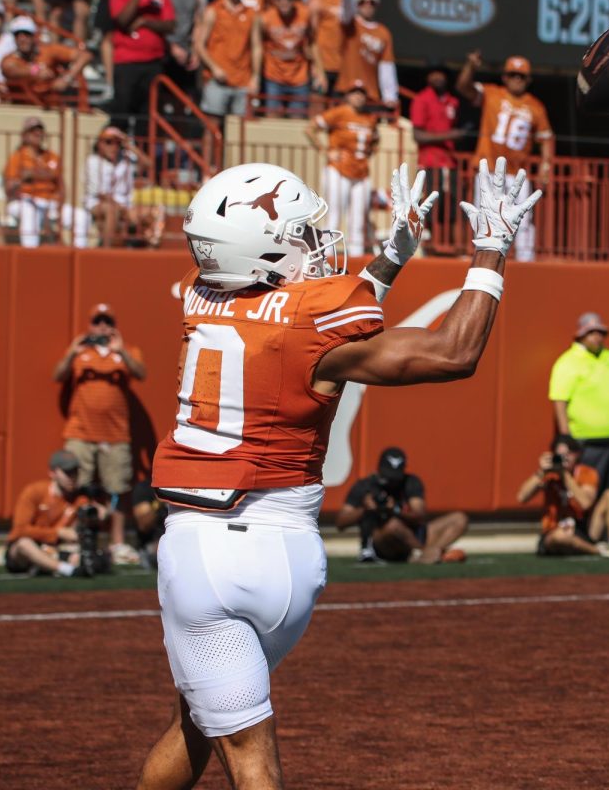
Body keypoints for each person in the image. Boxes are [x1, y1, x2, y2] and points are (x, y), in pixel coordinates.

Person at [135, 157, 540, 789]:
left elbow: (291, 330)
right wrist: (488, 250)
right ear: (264, 252)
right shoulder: (309, 318)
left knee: (246, 756)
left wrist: (389, 261)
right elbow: (450, 352)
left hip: (207, 555)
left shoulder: (199, 293)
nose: (318, 244)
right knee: (195, 721)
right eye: (301, 233)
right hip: (290, 553)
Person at [53, 302, 146, 566]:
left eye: (107, 322)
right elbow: (57, 375)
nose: (102, 326)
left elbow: (141, 374)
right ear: (89, 324)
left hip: (115, 434)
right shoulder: (81, 352)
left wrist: (120, 352)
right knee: (75, 486)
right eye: (97, 321)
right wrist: (72, 352)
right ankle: (76, 540)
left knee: (116, 490)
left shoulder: (127, 351)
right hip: (80, 432)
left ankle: (117, 543)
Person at [548, 311, 609, 552]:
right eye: (592, 332)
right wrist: (566, 435)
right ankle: (587, 533)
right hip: (587, 439)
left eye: (600, 332)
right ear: (581, 334)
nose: (598, 337)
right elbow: (559, 400)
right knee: (588, 489)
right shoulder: (569, 361)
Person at [457, 50, 552, 262]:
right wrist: (471, 66)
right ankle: (482, 260)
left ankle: (526, 263)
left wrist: (546, 165)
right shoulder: (492, 93)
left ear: (528, 80)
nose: (516, 80)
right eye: (512, 75)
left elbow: (546, 137)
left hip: (518, 173)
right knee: (485, 218)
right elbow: (463, 87)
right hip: (489, 168)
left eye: (521, 76)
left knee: (523, 220)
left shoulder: (535, 106)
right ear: (504, 77)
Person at [334, 446, 470, 564]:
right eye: (388, 477)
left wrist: (396, 510)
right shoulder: (364, 486)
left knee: (460, 518)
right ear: (379, 470)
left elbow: (420, 516)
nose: (392, 482)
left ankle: (429, 552)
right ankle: (428, 553)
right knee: (393, 526)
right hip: (385, 541)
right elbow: (341, 523)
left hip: (416, 534)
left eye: (396, 478)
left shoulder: (411, 482)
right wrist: (365, 509)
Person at [5, 450, 110, 577]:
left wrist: (97, 516)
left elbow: (83, 529)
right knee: (24, 543)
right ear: (52, 473)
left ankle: (47, 566)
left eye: (75, 472)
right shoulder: (34, 492)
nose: (72, 477)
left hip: (55, 549)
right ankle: (67, 570)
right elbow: (19, 530)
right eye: (67, 472)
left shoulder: (81, 498)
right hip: (27, 551)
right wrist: (58, 533)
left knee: (98, 554)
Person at [515, 434, 609, 558]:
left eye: (568, 454)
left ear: (577, 454)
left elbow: (585, 503)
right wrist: (541, 472)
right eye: (560, 455)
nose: (565, 458)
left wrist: (565, 476)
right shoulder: (549, 475)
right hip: (555, 530)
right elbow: (521, 497)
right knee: (560, 537)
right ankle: (597, 550)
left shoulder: (585, 473)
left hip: (582, 528)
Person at [310, 81, 377, 256]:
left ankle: (356, 256)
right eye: (354, 92)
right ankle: (326, 255)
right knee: (334, 215)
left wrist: (370, 151)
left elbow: (375, 138)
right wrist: (326, 151)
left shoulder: (369, 117)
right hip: (338, 169)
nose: (358, 96)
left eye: (362, 93)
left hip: (361, 172)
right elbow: (311, 128)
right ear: (347, 95)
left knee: (358, 219)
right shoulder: (339, 112)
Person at [3, 116, 90, 248]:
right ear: (24, 135)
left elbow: (61, 186)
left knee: (81, 216)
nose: (38, 134)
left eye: (40, 130)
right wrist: (23, 178)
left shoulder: (52, 157)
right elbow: (8, 188)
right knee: (30, 212)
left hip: (49, 203)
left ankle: (81, 255)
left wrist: (59, 204)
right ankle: (30, 256)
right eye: (33, 131)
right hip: (23, 201)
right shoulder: (17, 157)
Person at [409, 59, 463, 239]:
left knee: (454, 205)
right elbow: (418, 135)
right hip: (429, 161)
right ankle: (428, 242)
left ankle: (450, 243)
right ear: (428, 77)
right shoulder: (421, 99)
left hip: (450, 162)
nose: (437, 77)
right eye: (433, 73)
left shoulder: (453, 101)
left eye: (441, 73)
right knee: (429, 204)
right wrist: (450, 135)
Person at [84, 125, 162, 248]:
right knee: (111, 210)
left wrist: (129, 145)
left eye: (117, 143)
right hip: (98, 203)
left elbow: (149, 164)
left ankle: (150, 251)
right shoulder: (93, 161)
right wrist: (122, 209)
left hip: (125, 205)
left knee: (156, 211)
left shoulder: (125, 157)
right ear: (99, 144)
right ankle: (105, 251)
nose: (113, 147)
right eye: (108, 142)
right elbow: (100, 194)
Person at [107, 0, 175, 129]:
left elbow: (170, 25)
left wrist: (145, 22)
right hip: (126, 62)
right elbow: (122, 20)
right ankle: (116, 146)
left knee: (148, 113)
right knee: (122, 109)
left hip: (153, 62)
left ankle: (141, 149)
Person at [195, 0, 261, 123]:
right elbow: (199, 45)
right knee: (212, 126)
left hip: (242, 80)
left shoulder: (251, 13)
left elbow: (256, 46)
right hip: (217, 79)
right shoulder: (213, 10)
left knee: (240, 129)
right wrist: (214, 68)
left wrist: (255, 76)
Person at [0, 15, 90, 107]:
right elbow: (10, 70)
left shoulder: (48, 51)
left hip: (50, 106)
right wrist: (36, 72)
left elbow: (85, 56)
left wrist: (67, 78)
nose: (22, 39)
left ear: (34, 36)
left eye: (27, 34)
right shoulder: (9, 60)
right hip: (22, 107)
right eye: (17, 35)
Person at [261, 0, 324, 118]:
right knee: (272, 119)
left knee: (297, 121)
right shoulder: (265, 18)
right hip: (274, 76)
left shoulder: (305, 14)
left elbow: (312, 43)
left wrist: (319, 70)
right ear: (275, 0)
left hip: (299, 78)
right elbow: (257, 46)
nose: (284, 2)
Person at [333, 0, 397, 109]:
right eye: (362, 2)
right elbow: (345, 8)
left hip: (369, 94)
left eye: (371, 2)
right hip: (346, 89)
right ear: (356, 5)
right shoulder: (351, 23)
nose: (367, 5)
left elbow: (386, 65)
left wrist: (390, 96)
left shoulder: (383, 32)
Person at [306, 0, 342, 92]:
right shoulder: (316, 0)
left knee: (338, 107)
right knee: (318, 104)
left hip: (340, 65)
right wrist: (316, 66)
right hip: (322, 64)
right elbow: (311, 38)